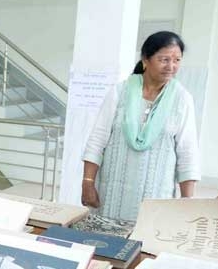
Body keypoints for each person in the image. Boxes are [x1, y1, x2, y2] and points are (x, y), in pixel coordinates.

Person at [81, 31, 200, 223]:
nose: (171, 66)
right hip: (111, 196)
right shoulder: (119, 92)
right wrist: (87, 183)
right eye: (164, 59)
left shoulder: (182, 99)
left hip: (155, 198)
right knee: (105, 247)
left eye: (177, 60)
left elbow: (187, 153)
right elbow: (97, 139)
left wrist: (187, 201)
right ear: (146, 59)